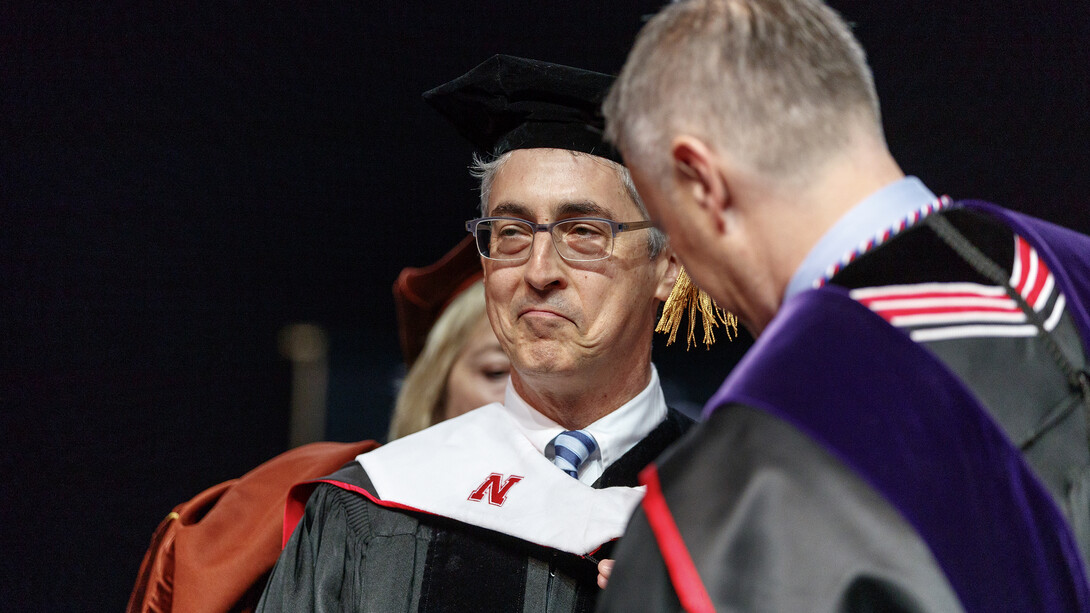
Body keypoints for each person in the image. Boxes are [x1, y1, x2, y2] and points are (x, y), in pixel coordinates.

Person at [597, 1, 1090, 612]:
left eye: (669, 226)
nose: (686, 272)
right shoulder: (1074, 273)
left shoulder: (743, 500)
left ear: (701, 182)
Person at [256, 55, 695, 613]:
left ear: (671, 264)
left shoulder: (741, 505)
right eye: (511, 232)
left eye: (583, 232)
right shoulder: (377, 508)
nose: (538, 271)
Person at [126, 237, 505, 613]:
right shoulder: (339, 505)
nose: (523, 397)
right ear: (434, 393)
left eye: (557, 376)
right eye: (497, 371)